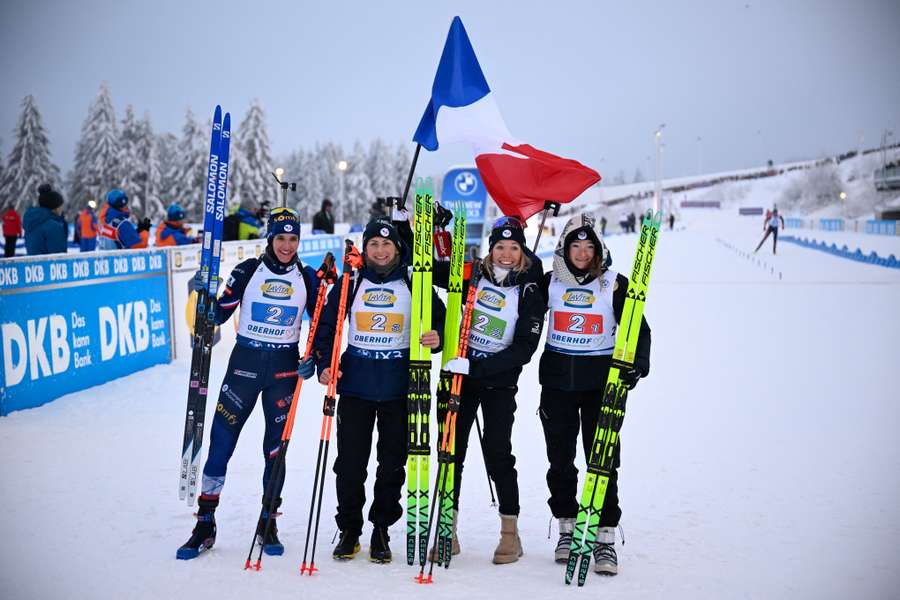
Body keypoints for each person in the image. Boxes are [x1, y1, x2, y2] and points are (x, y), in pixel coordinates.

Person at [177, 207, 322, 560]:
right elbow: (215, 316)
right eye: (280, 238)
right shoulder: (247, 271)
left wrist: (313, 359)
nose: (286, 245)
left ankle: (268, 521)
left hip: (283, 374)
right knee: (220, 445)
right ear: (269, 238)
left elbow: (322, 325)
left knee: (275, 451)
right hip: (243, 368)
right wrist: (200, 294)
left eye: (293, 238)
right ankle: (205, 522)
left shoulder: (307, 277)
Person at [315, 214, 446, 564]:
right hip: (356, 387)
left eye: (387, 243)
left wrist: (437, 336)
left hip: (400, 389)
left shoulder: (414, 281)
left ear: (397, 248)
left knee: (392, 465)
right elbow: (326, 325)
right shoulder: (352, 281)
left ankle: (381, 529)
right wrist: (324, 362)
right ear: (365, 248)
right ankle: (350, 530)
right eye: (373, 243)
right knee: (350, 465)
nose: (380, 250)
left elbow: (441, 320)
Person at [537, 213, 651, 576]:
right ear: (565, 248)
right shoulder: (550, 282)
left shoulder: (614, 284)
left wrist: (637, 365)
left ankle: (604, 537)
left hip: (601, 385)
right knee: (560, 460)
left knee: (602, 461)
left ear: (599, 249)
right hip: (557, 385)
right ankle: (568, 529)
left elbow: (639, 329)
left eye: (589, 246)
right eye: (576, 245)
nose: (583, 253)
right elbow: (519, 314)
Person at [439, 216, 545, 565]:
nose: (506, 254)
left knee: (498, 453)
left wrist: (478, 368)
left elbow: (525, 348)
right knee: (451, 451)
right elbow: (430, 270)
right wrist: (417, 231)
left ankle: (510, 535)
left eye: (514, 247)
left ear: (523, 251)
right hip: (461, 379)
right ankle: (448, 530)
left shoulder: (530, 289)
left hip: (498, 382)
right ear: (491, 248)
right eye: (500, 246)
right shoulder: (473, 274)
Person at [23, 184, 68, 256]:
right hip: (48, 263)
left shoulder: (33, 222)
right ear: (55, 207)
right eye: (60, 206)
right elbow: (59, 256)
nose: (61, 209)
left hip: (34, 262)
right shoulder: (53, 226)